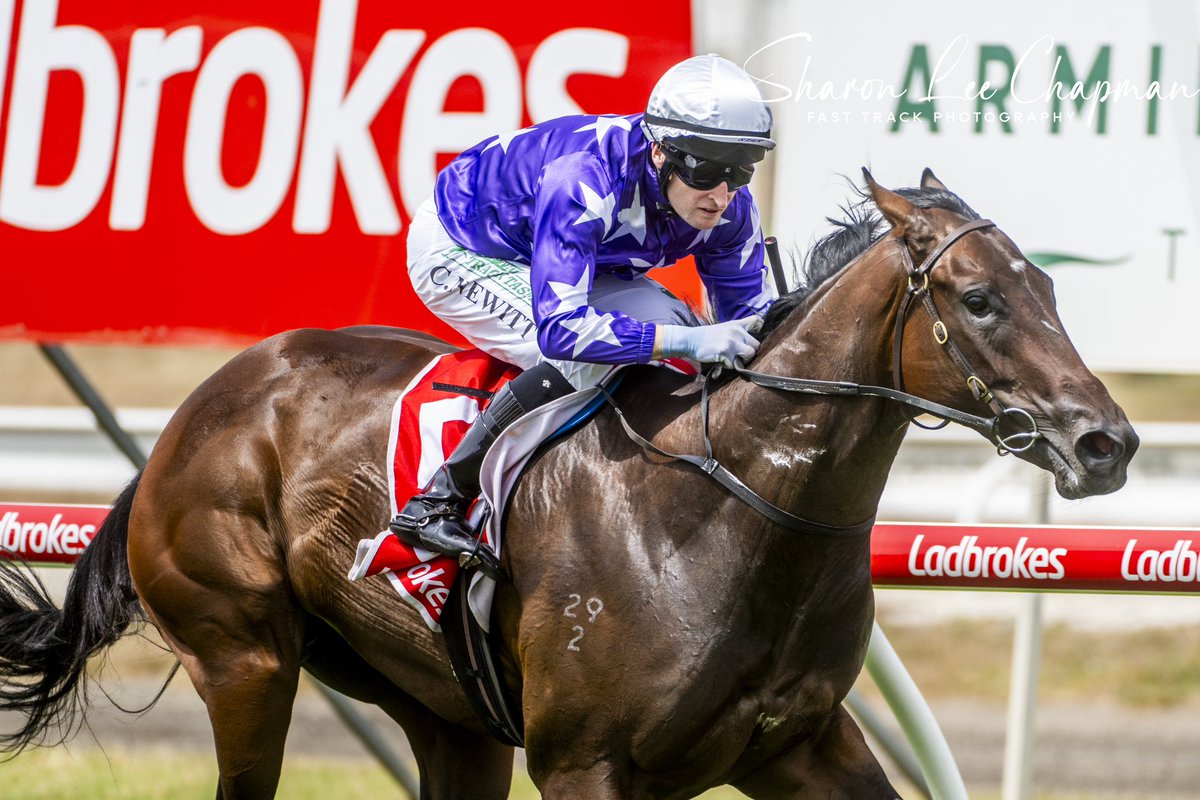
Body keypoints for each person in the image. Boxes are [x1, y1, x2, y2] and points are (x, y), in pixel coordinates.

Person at [391, 54, 779, 577]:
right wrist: (690, 344)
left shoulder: (730, 207)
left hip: (577, 256)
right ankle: (438, 500)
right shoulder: (586, 177)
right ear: (661, 152)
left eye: (739, 170)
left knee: (686, 332)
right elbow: (562, 330)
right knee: (597, 356)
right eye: (706, 169)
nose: (721, 194)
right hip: (465, 247)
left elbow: (751, 329)